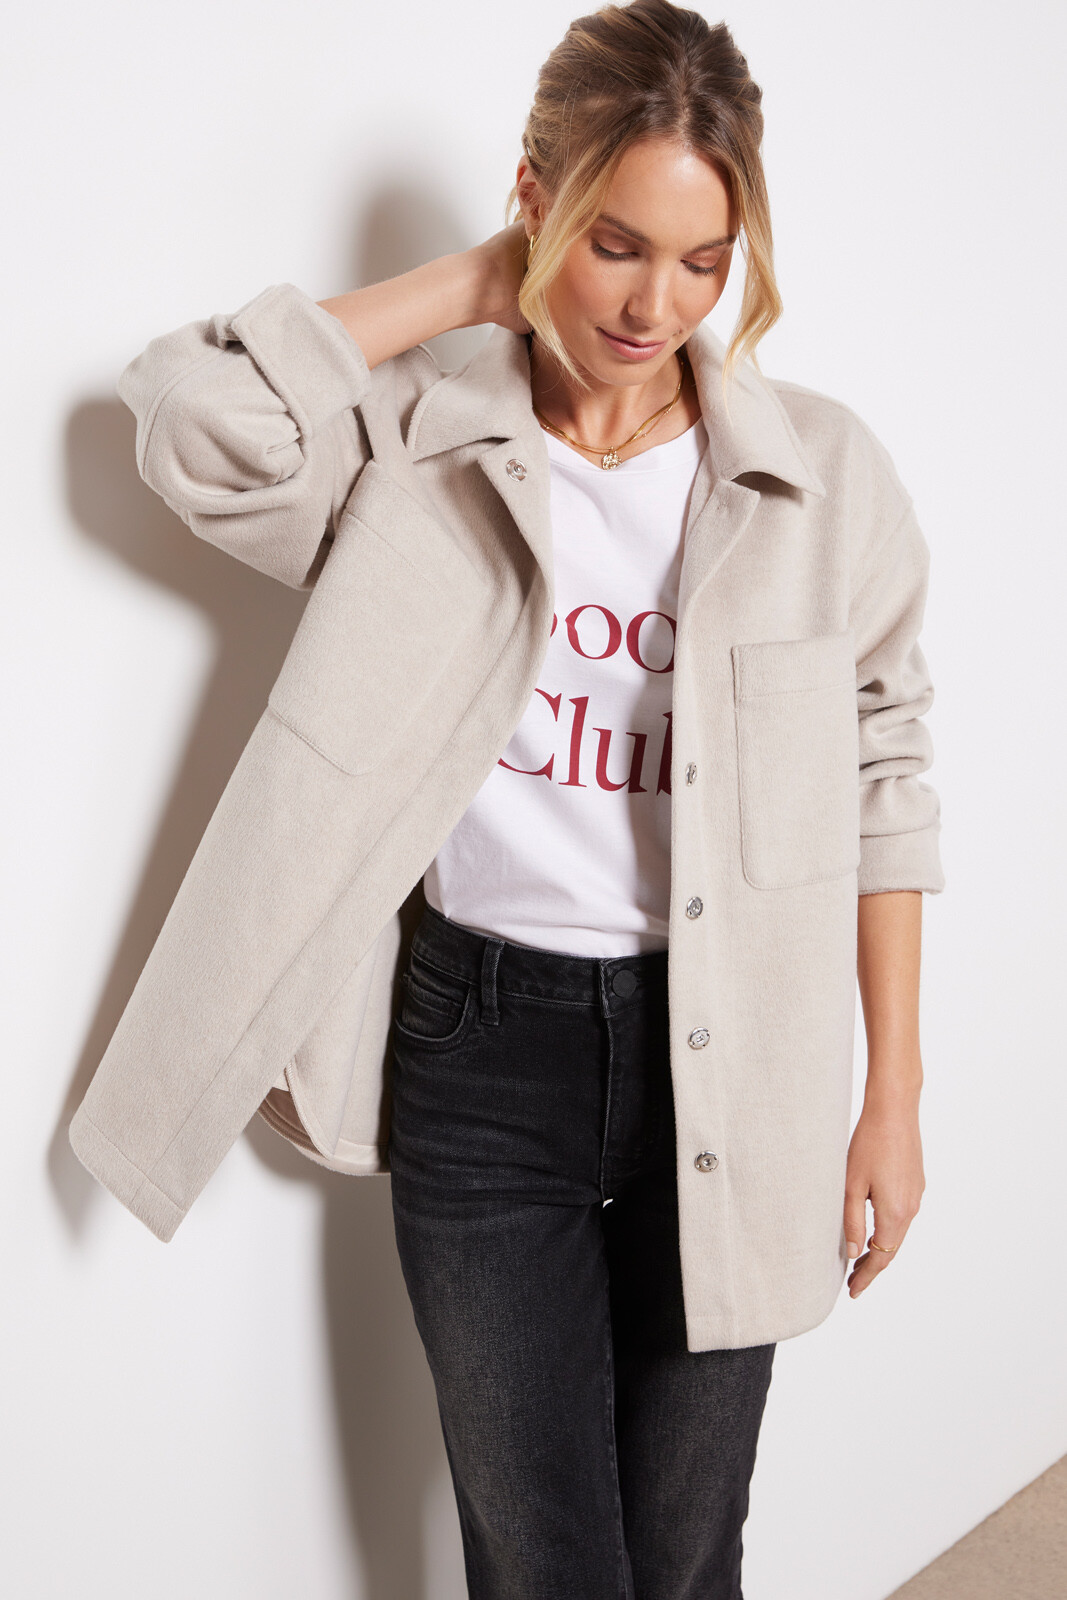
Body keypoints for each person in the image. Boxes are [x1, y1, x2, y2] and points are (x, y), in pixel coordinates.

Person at [69, 2, 945, 1596]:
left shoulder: (822, 481)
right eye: (615, 244)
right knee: (545, 1566)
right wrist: (481, 285)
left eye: (705, 261)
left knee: (686, 1560)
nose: (657, 304)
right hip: (482, 1050)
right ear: (536, 197)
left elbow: (888, 771)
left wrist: (893, 1092)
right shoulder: (412, 446)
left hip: (732, 1049)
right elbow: (191, 419)